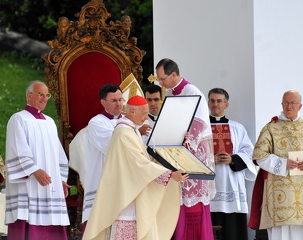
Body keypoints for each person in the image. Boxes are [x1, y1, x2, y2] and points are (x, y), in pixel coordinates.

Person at [83, 95, 189, 240]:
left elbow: (146, 158)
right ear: (132, 112)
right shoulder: (123, 133)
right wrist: (169, 175)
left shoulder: (131, 131)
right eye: (144, 113)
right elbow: (138, 165)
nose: (146, 118)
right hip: (127, 194)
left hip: (134, 191)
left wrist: (178, 142)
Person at [249, 90, 303, 240]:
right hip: (280, 192)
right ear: (281, 104)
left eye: (292, 103)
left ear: (300, 106)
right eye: (286, 102)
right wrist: (282, 164)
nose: (289, 106)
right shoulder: (271, 128)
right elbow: (259, 156)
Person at [155, 58, 216, 240]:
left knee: (192, 203)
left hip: (193, 154)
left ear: (173, 74)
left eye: (162, 79)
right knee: (177, 201)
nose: (161, 83)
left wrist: (185, 145)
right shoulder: (170, 94)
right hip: (177, 153)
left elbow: (199, 123)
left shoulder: (193, 92)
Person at [5, 80, 70, 240]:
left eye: (47, 95)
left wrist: (61, 179)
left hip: (50, 185)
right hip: (30, 183)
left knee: (52, 225)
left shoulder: (49, 122)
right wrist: (34, 170)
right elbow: (17, 148)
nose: (44, 98)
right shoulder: (18, 119)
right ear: (29, 95)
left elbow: (57, 152)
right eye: (40, 94)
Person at [70, 84, 124, 232]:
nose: (119, 104)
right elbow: (113, 146)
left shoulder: (128, 121)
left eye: (120, 99)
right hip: (103, 179)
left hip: (124, 180)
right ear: (103, 102)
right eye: (114, 100)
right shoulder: (97, 122)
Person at [208, 88, 257, 240]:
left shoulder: (237, 128)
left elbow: (249, 152)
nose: (215, 104)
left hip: (232, 184)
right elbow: (192, 154)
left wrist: (233, 159)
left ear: (226, 104)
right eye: (212, 100)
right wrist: (210, 159)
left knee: (233, 232)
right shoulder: (200, 128)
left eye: (219, 101)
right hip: (209, 186)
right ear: (208, 103)